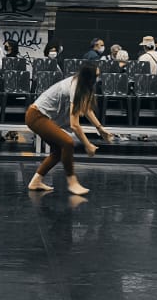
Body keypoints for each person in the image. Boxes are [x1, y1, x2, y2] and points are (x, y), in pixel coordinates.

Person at [25, 62, 114, 198]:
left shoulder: (82, 86)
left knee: (58, 151)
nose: (98, 79)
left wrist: (100, 128)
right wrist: (87, 144)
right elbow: (74, 125)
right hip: (36, 116)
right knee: (67, 142)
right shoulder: (75, 86)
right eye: (96, 76)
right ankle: (72, 182)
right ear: (89, 78)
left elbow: (87, 109)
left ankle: (36, 182)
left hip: (41, 116)